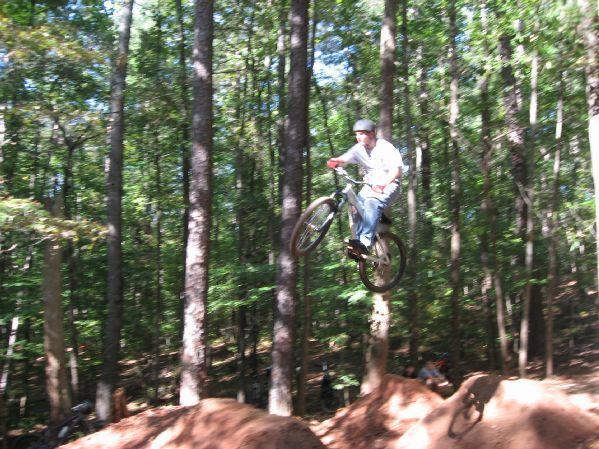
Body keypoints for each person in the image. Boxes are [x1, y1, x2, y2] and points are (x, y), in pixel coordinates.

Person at [327, 119, 405, 259]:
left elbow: (397, 172)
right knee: (354, 206)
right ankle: (358, 244)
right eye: (357, 134)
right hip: (370, 186)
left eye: (362, 134)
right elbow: (345, 159)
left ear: (372, 134)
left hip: (390, 185)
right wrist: (336, 161)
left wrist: (383, 185)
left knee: (371, 202)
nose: (359, 137)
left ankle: (365, 241)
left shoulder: (385, 147)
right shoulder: (359, 149)